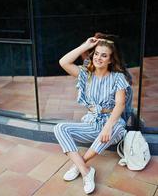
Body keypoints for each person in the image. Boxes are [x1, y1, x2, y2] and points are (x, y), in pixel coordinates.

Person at [54, 32, 131, 194]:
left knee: (119, 128)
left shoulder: (118, 78)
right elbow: (63, 62)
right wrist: (86, 46)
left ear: (110, 59)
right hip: (92, 122)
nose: (98, 58)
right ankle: (86, 171)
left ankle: (78, 164)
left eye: (104, 55)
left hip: (111, 125)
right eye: (96, 54)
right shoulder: (86, 74)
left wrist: (108, 127)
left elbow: (120, 104)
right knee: (59, 128)